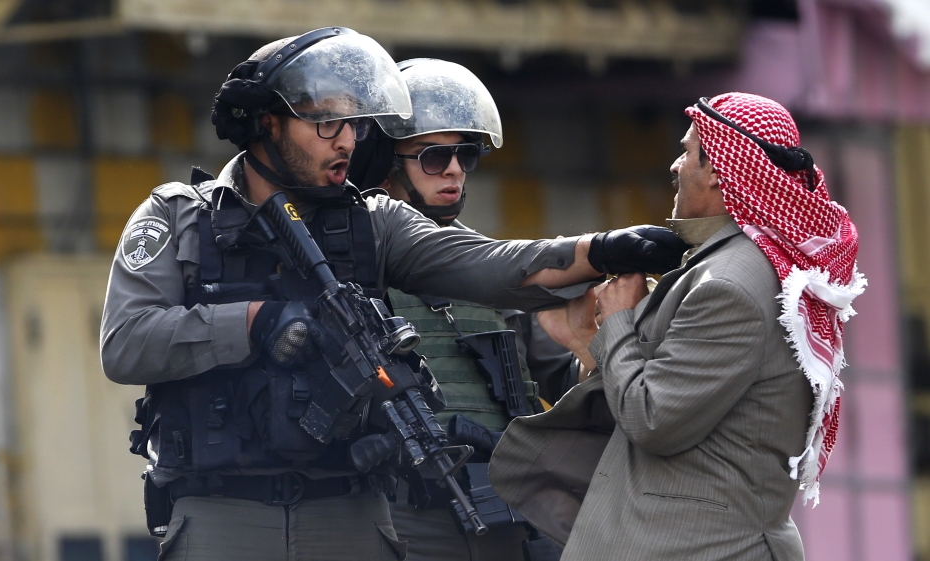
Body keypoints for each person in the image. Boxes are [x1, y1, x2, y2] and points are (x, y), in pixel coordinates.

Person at [100, 27, 686, 561]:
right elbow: (126, 343)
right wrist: (257, 321)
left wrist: (602, 250)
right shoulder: (179, 215)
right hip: (222, 512)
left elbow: (485, 265)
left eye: (355, 124)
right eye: (328, 122)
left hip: (351, 511)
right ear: (268, 123)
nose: (348, 141)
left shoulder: (374, 221)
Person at [489, 92, 867, 561]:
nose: (674, 165)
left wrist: (622, 320)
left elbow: (654, 418)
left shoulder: (729, 285)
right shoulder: (740, 269)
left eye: (687, 152)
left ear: (716, 170)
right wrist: (591, 339)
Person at [347, 58, 576, 561]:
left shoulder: (493, 269)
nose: (452, 170)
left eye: (464, 155)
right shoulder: (350, 268)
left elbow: (564, 377)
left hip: (503, 503)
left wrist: (600, 343)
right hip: (399, 509)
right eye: (431, 157)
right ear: (386, 162)